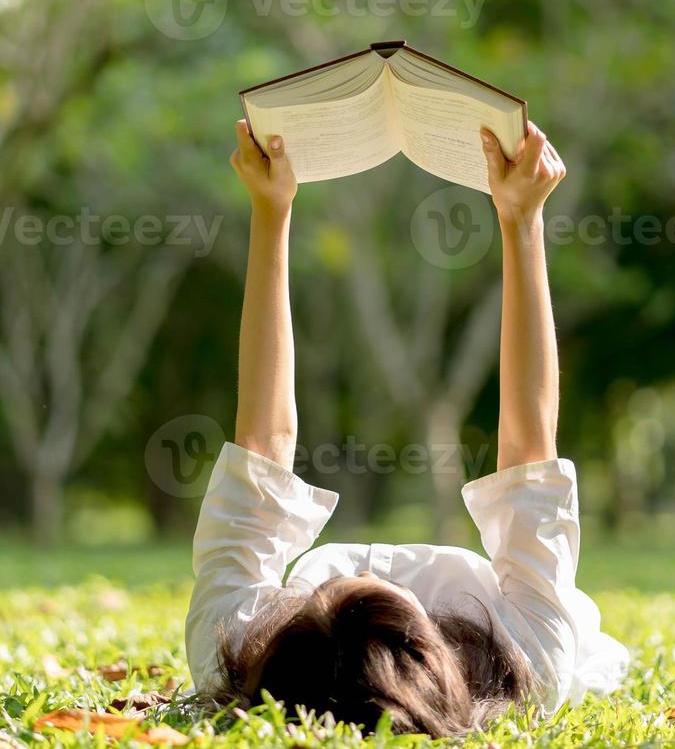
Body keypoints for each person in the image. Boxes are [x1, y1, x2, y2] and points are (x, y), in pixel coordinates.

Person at [184, 118, 629, 736]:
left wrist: (270, 210)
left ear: (287, 637)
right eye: (380, 598)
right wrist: (522, 221)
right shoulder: (523, 665)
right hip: (516, 636)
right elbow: (529, 450)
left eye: (336, 591)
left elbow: (263, 445)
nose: (365, 573)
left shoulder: (232, 651)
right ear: (433, 642)